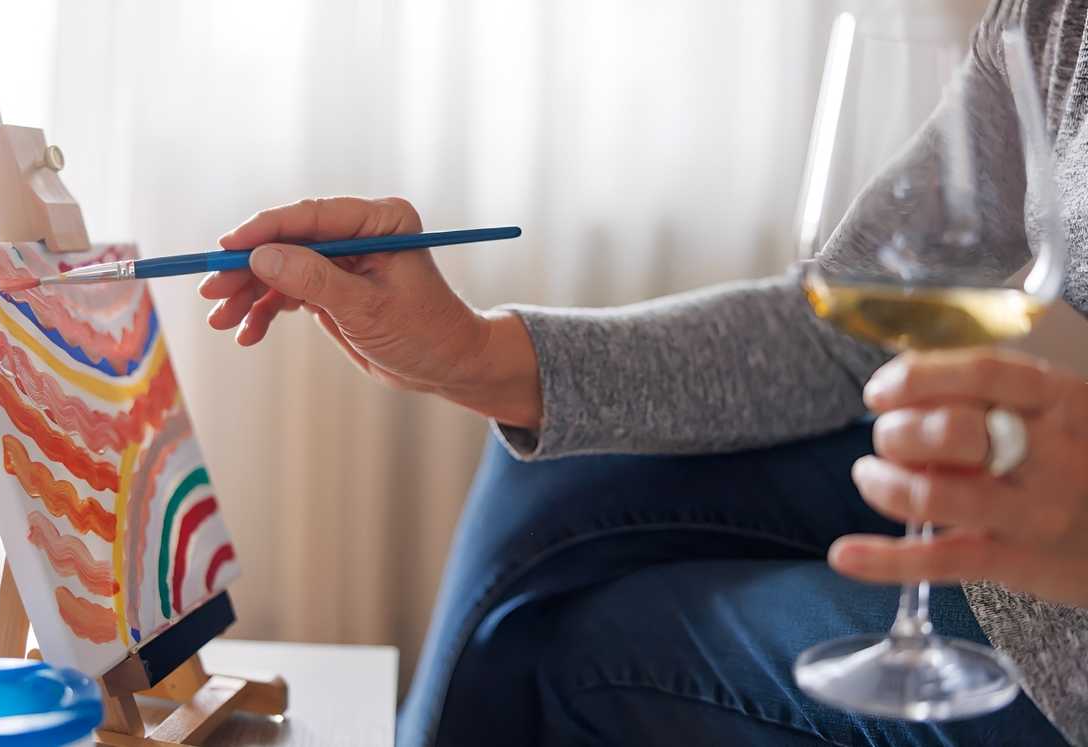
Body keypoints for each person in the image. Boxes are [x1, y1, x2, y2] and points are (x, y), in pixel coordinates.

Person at [199, 1, 1087, 745]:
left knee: (589, 648)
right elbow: (846, 320)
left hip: (1059, 643)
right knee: (554, 458)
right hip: (1017, 522)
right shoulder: (1056, 21)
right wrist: (470, 353)